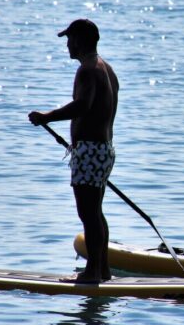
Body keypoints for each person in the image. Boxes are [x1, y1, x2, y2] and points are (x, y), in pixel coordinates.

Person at [29, 18, 119, 282]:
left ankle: (92, 272)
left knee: (88, 213)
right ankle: (103, 270)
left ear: (80, 40)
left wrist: (46, 116)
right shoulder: (106, 68)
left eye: (69, 39)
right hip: (103, 150)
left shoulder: (88, 70)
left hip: (90, 151)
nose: (67, 44)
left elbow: (82, 106)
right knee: (95, 212)